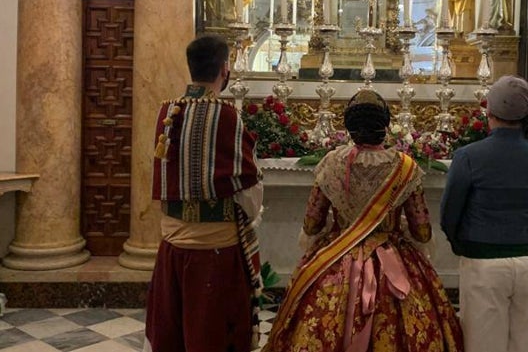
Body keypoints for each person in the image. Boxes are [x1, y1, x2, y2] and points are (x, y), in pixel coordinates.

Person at [263, 89, 464, 352]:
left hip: (336, 260)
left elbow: (312, 223)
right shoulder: (404, 166)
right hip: (393, 262)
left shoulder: (331, 163)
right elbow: (422, 229)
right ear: (385, 125)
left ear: (349, 126)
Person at [145, 35, 264, 352]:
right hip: (216, 253)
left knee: (174, 334)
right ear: (225, 69)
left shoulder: (166, 112)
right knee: (212, 337)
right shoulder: (227, 116)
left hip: (172, 248)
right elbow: (249, 194)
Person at [440, 75, 528, 352]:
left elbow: (450, 214)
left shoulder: (469, 156)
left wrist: (464, 246)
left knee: (482, 342)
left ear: (489, 112)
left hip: (483, 261)